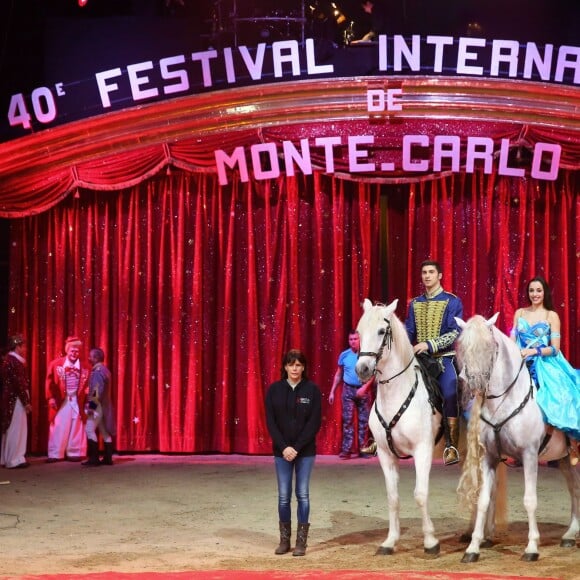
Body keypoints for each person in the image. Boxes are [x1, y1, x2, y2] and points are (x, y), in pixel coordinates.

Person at [511, 276, 580, 466]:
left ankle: (571, 443)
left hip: (544, 362)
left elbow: (555, 348)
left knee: (560, 396)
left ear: (544, 293)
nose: (535, 294)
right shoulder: (519, 313)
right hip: (521, 361)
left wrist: (534, 351)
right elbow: (512, 339)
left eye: (538, 290)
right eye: (531, 290)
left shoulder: (551, 316)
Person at [405, 260, 464, 465]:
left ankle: (451, 446)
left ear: (439, 276)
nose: (427, 276)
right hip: (418, 360)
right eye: (424, 272)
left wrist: (429, 344)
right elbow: (408, 332)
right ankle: (386, 435)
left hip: (443, 359)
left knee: (450, 391)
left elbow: (454, 333)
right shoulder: (414, 303)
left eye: (431, 272)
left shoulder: (452, 301)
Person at [265, 349, 322, 557]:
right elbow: (271, 423)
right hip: (282, 453)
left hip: (305, 452)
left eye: (298, 365)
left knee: (303, 495)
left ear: (303, 367)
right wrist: (284, 447)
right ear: (285, 367)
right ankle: (284, 541)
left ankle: (301, 543)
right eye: (291, 365)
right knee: (283, 497)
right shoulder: (274, 390)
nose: (295, 368)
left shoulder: (312, 390)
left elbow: (314, 423)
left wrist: (296, 447)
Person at [329, 330, 375, 459]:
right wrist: (332, 391)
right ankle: (347, 449)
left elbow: (374, 374)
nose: (353, 342)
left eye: (355, 339)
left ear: (360, 340)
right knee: (347, 420)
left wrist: (365, 388)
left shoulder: (366, 356)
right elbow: (339, 374)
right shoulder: (344, 355)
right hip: (348, 390)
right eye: (351, 339)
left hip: (363, 389)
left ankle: (363, 449)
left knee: (363, 421)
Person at [45, 336, 90, 462]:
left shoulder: (86, 367)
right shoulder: (55, 364)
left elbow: (92, 387)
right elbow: (49, 382)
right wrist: (50, 398)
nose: (74, 354)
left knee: (77, 425)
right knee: (59, 426)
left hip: (77, 400)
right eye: (72, 351)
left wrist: (89, 403)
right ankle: (55, 454)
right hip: (62, 400)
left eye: (77, 351)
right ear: (67, 350)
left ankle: (75, 452)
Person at [0, 334, 32, 469]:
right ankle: (15, 459)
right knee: (16, 429)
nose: (24, 349)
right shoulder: (14, 362)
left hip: (10, 399)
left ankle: (6, 457)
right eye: (23, 346)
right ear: (17, 347)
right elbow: (18, 383)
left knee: (10, 429)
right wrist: (26, 401)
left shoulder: (8, 360)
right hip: (16, 400)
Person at [82, 348, 116, 467]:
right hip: (104, 405)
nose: (88, 358)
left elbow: (97, 389)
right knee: (104, 431)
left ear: (96, 358)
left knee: (89, 429)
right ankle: (108, 458)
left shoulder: (97, 371)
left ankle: (94, 458)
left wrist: (92, 406)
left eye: (90, 356)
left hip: (97, 405)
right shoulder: (105, 370)